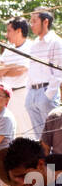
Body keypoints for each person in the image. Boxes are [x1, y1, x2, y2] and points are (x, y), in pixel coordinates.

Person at [25, 7, 62, 140]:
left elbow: (58, 72)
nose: (31, 24)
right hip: (33, 94)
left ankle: (53, 162)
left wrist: (47, 96)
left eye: (34, 21)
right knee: (40, 139)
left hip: (46, 92)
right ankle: (45, 161)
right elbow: (31, 69)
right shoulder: (34, 44)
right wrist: (29, 94)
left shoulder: (56, 42)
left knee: (55, 137)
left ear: (45, 22)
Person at [0, 16, 32, 135]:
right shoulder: (8, 50)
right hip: (7, 96)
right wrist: (12, 67)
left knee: (26, 130)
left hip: (22, 93)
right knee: (11, 130)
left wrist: (5, 69)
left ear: (19, 31)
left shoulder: (30, 46)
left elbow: (21, 69)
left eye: (9, 31)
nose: (7, 34)